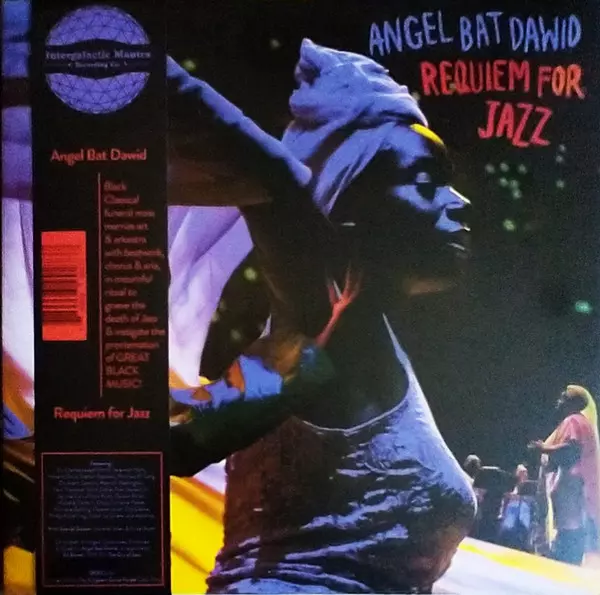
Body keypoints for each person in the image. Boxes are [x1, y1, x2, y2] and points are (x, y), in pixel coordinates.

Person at [167, 39, 476, 594]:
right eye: (426, 181)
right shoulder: (328, 319)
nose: (459, 201)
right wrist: (101, 51)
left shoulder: (364, 338)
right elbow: (274, 185)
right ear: (351, 204)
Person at [529, 385, 600, 565]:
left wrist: (544, 448)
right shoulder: (583, 423)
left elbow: (572, 450)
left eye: (563, 397)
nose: (559, 401)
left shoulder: (573, 421)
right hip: (574, 496)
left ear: (573, 403)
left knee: (565, 543)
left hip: (570, 494)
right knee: (572, 539)